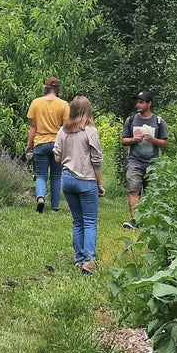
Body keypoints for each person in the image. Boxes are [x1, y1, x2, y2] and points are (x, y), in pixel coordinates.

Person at [53, 96, 105, 274]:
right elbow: (96, 159)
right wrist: (100, 183)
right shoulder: (90, 131)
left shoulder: (63, 130)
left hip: (67, 179)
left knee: (77, 221)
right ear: (88, 110)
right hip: (86, 179)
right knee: (90, 221)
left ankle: (79, 258)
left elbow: (57, 156)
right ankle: (89, 261)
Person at [119, 91, 168, 229]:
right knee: (133, 190)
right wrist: (134, 140)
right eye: (138, 102)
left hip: (153, 162)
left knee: (152, 192)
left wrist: (153, 140)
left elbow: (164, 143)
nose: (138, 105)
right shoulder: (131, 120)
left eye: (141, 102)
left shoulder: (159, 121)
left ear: (149, 104)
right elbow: (124, 140)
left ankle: (151, 221)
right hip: (135, 161)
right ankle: (135, 220)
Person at [25, 77, 70, 213]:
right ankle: (55, 206)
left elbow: (33, 126)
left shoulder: (36, 103)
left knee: (41, 175)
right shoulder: (63, 105)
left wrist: (29, 145)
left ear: (45, 88)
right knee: (56, 176)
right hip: (57, 144)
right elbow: (66, 128)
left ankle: (40, 198)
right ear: (58, 89)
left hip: (40, 143)